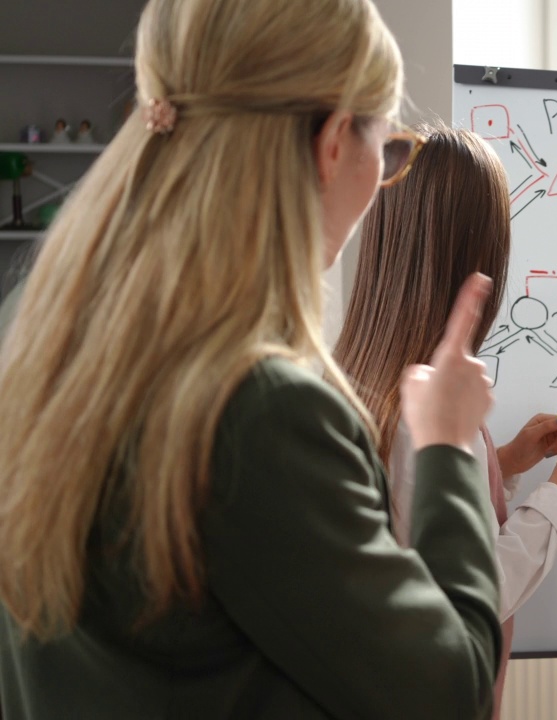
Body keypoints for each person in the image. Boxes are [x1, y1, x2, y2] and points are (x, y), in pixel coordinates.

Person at [0, 1, 504, 718]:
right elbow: (450, 693)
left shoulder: (35, 332)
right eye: (387, 147)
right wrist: (449, 445)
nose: (382, 176)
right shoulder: (259, 408)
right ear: (334, 143)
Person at [334, 125, 557, 717]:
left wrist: (505, 461)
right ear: (476, 251)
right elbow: (471, 590)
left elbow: (424, 521)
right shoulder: (423, 405)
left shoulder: (375, 378)